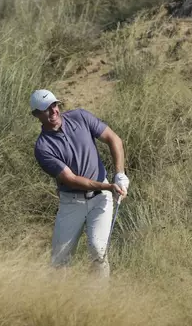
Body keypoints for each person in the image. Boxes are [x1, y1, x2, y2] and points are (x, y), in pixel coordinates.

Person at [30, 89, 129, 278]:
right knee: (59, 261)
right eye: (46, 109)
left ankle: (98, 303)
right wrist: (108, 187)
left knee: (98, 251)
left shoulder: (80, 117)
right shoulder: (42, 147)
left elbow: (113, 139)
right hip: (72, 203)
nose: (53, 112)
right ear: (36, 115)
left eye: (54, 105)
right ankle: (63, 303)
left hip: (101, 199)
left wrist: (120, 174)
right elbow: (71, 179)